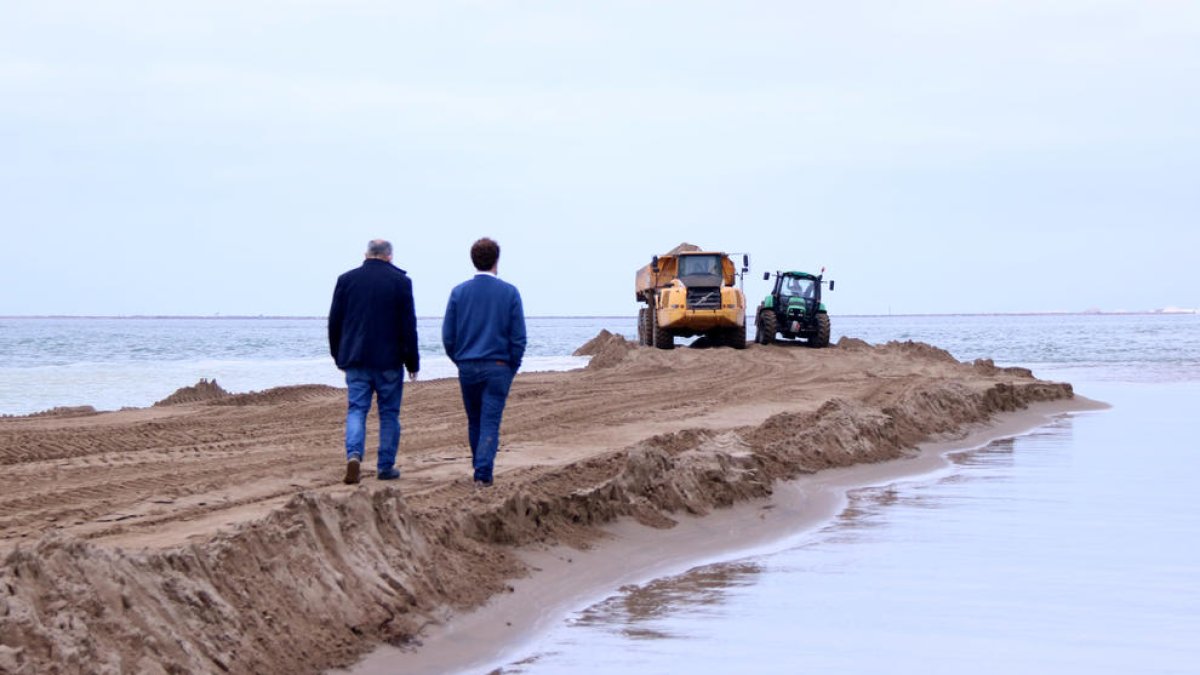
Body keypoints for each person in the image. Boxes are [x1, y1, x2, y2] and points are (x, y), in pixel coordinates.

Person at [328, 239, 419, 484]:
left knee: (357, 409)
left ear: (366, 254)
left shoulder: (346, 280)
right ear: (389, 256)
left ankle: (354, 455)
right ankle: (385, 466)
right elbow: (408, 326)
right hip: (389, 361)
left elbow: (334, 322)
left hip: (356, 358)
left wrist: (339, 355)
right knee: (389, 413)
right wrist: (412, 362)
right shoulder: (401, 282)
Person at [441, 237, 527, 488]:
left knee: (475, 419)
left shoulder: (459, 292)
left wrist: (459, 360)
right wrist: (512, 366)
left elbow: (448, 336)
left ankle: (480, 467)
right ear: (496, 261)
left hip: (468, 365)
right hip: (498, 366)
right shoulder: (509, 292)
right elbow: (518, 337)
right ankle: (482, 472)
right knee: (489, 420)